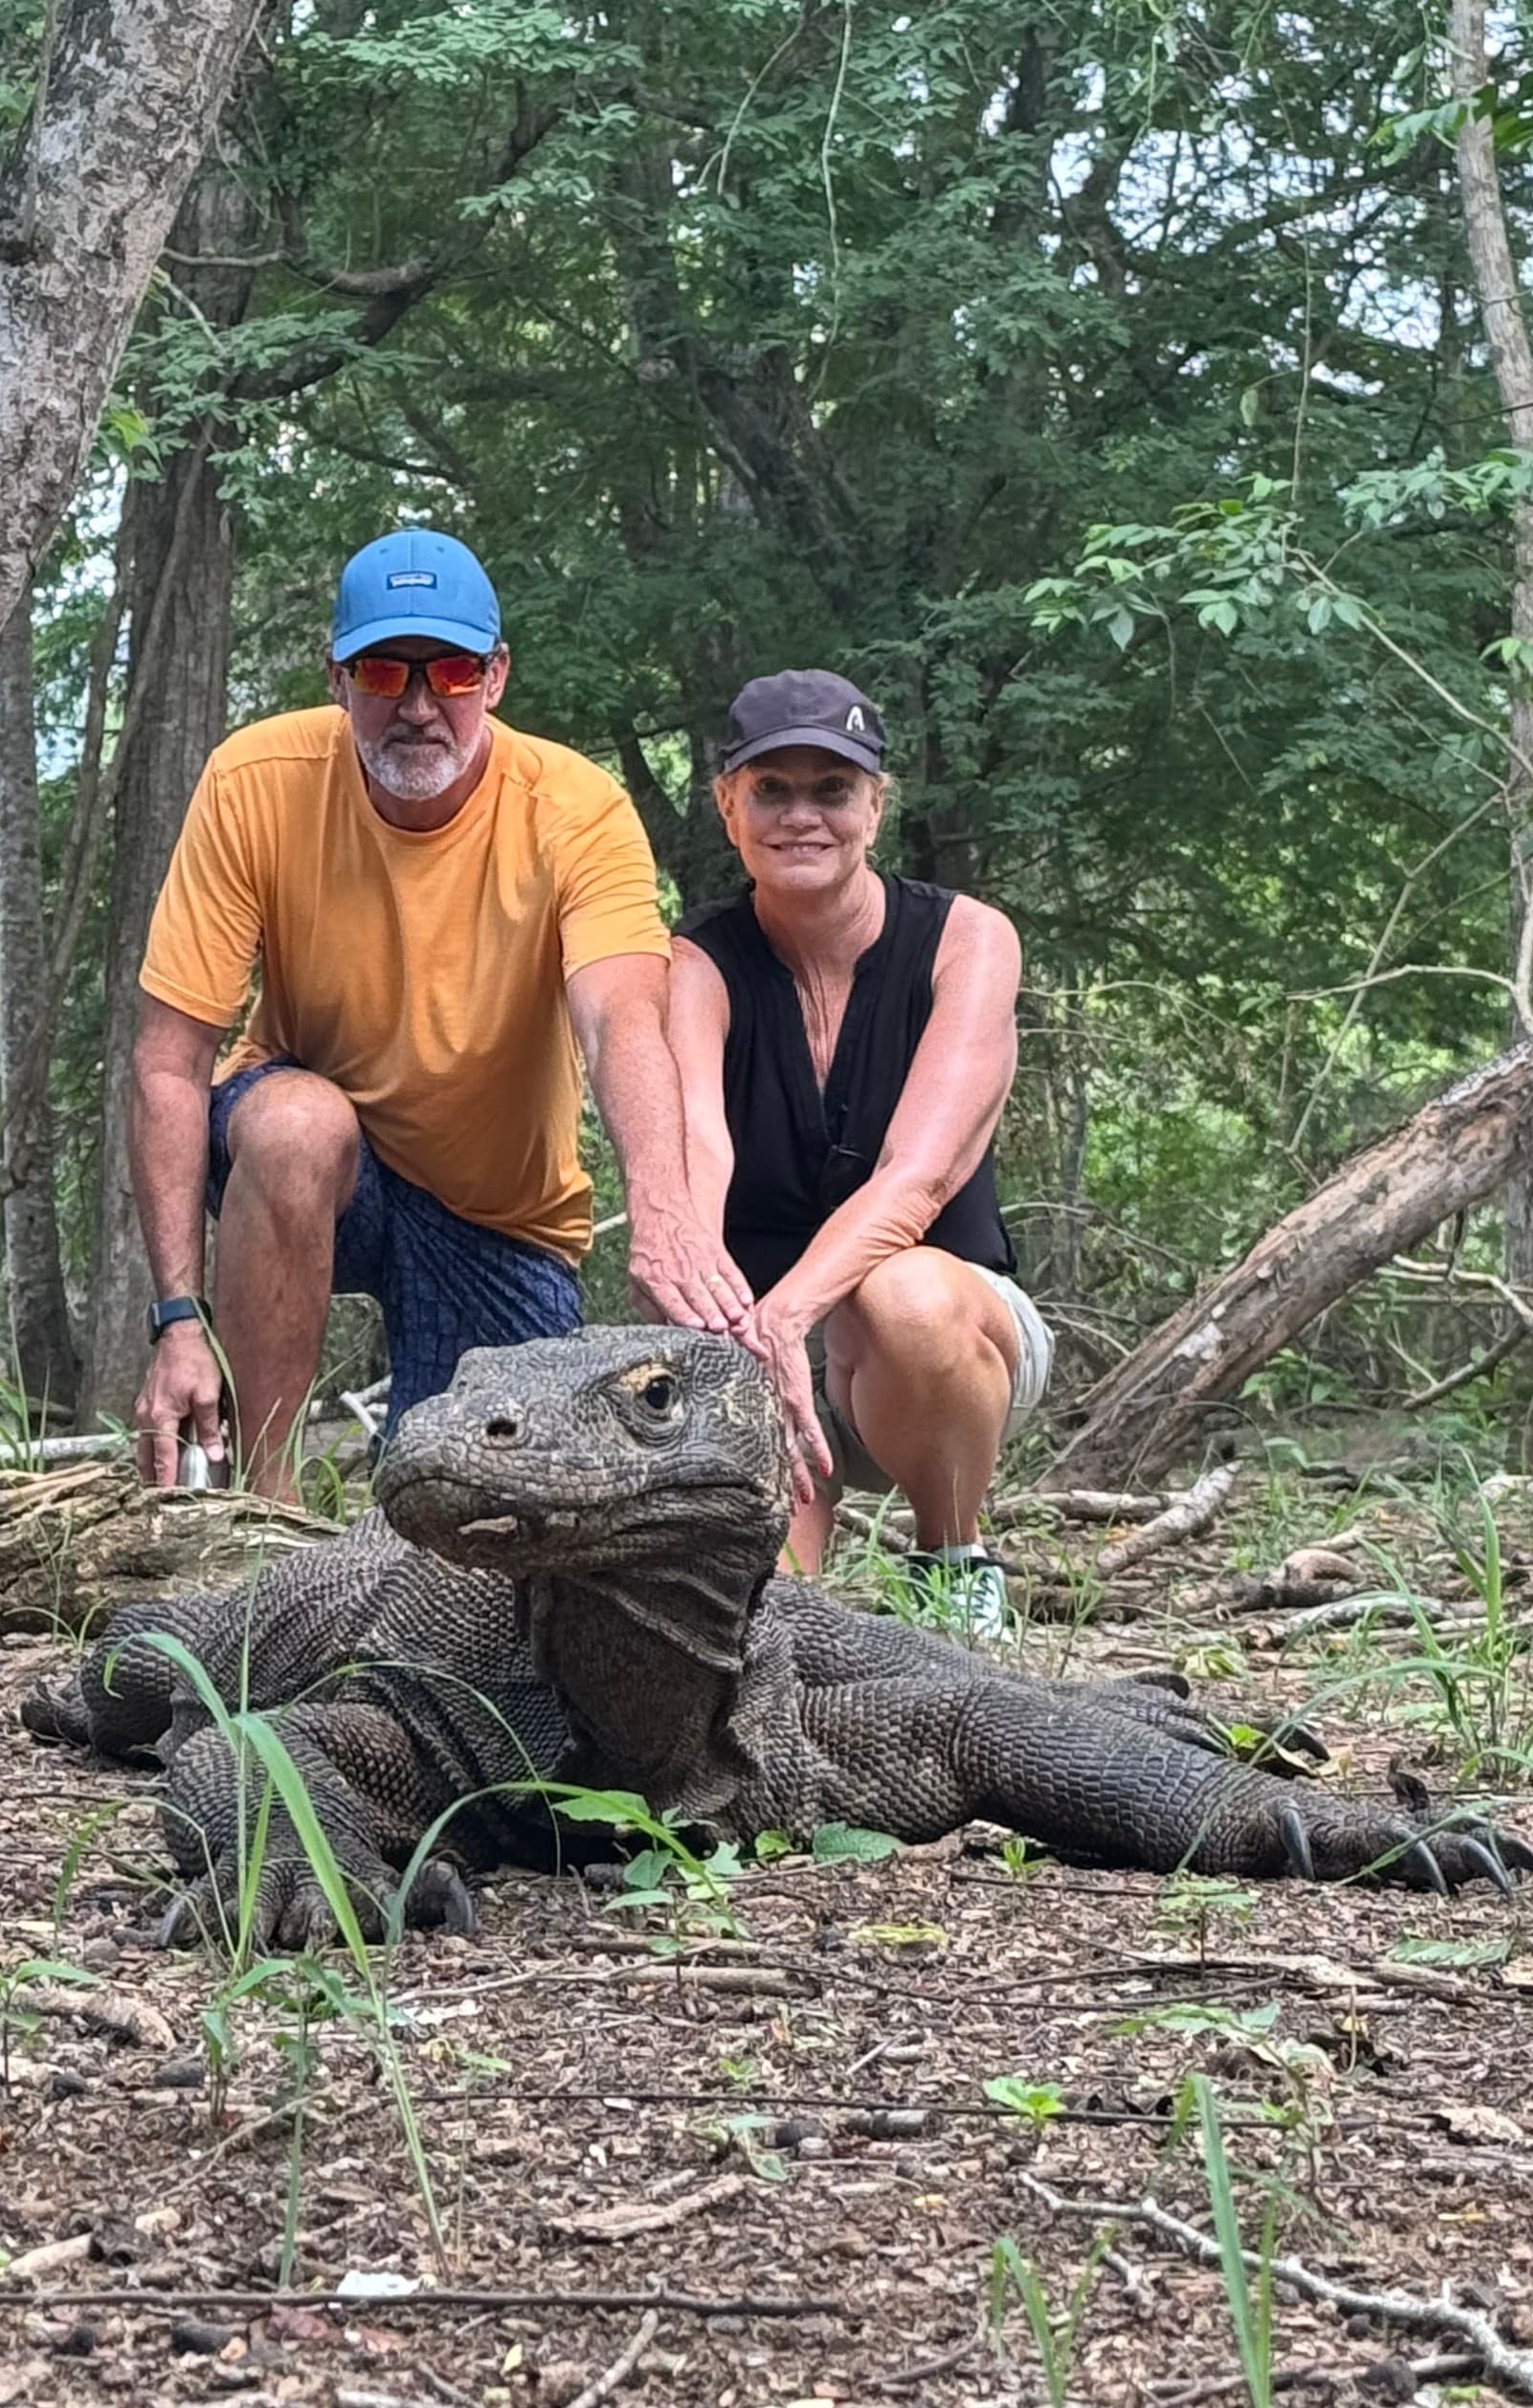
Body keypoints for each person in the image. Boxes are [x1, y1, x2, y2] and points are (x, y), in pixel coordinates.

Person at [129, 527, 747, 1499]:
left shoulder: (574, 810)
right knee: (296, 1127)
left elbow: (622, 1017)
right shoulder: (254, 782)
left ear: (495, 677)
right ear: (337, 679)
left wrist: (664, 1214)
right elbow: (171, 1063)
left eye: (450, 671)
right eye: (385, 669)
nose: (418, 706)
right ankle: (261, 1511)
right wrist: (175, 1318)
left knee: (487, 1543)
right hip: (322, 1167)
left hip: (496, 1215)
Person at [666, 670, 1051, 1639]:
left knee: (904, 1294)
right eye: (772, 790)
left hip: (939, 1345)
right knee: (765, 1630)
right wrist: (743, 1337)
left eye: (831, 789)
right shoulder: (693, 963)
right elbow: (694, 1153)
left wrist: (788, 1314)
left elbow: (915, 1180)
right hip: (755, 1356)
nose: (803, 816)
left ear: (874, 807)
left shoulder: (967, 940)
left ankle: (951, 1557)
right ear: (727, 807)